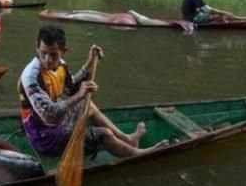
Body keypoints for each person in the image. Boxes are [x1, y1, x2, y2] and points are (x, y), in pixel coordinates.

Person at [17, 25, 167, 157]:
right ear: (37, 48)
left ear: (63, 51)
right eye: (43, 53)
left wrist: (90, 61)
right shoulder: (32, 76)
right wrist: (79, 95)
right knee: (104, 134)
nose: (47, 60)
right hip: (44, 136)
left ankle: (127, 139)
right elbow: (49, 117)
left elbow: (72, 86)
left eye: (53, 55)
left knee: (87, 105)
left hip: (55, 123)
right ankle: (137, 154)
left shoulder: (61, 65)